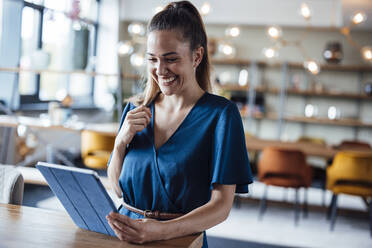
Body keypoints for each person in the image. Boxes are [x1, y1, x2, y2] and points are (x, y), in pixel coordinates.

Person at [106, 1, 253, 247]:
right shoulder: (135, 109)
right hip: (124, 239)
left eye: (171, 59)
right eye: (152, 59)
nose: (160, 70)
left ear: (197, 56)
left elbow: (221, 207)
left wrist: (158, 232)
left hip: (180, 241)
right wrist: (120, 142)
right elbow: (117, 189)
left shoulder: (221, 116)